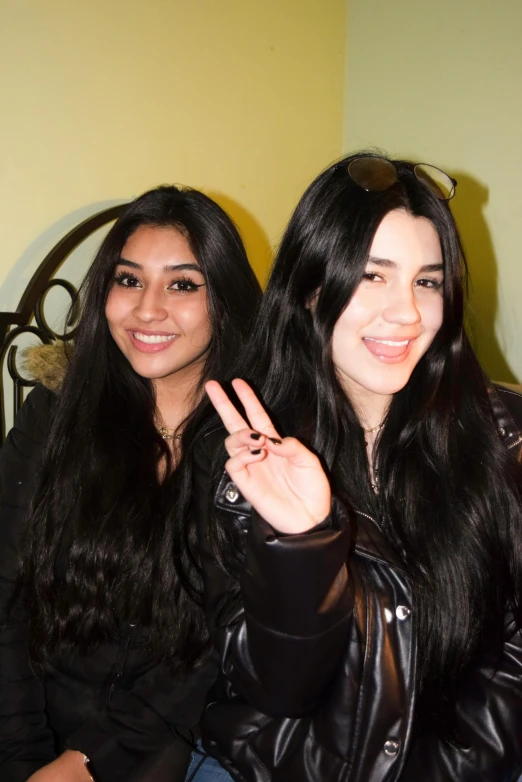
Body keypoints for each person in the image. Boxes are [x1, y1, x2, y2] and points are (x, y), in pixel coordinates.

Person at [187, 154, 522, 781]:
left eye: (428, 281)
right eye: (373, 276)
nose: (408, 314)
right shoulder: (246, 453)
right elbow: (277, 691)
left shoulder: (504, 436)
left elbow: (512, 657)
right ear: (312, 288)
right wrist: (301, 544)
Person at [0, 185, 261, 782]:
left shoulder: (254, 444)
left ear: (225, 299)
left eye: (183, 284)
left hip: (182, 735)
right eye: (128, 279)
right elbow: (5, 603)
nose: (148, 309)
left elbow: (220, 642)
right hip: (34, 733)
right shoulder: (53, 420)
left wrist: (90, 759)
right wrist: (24, 761)